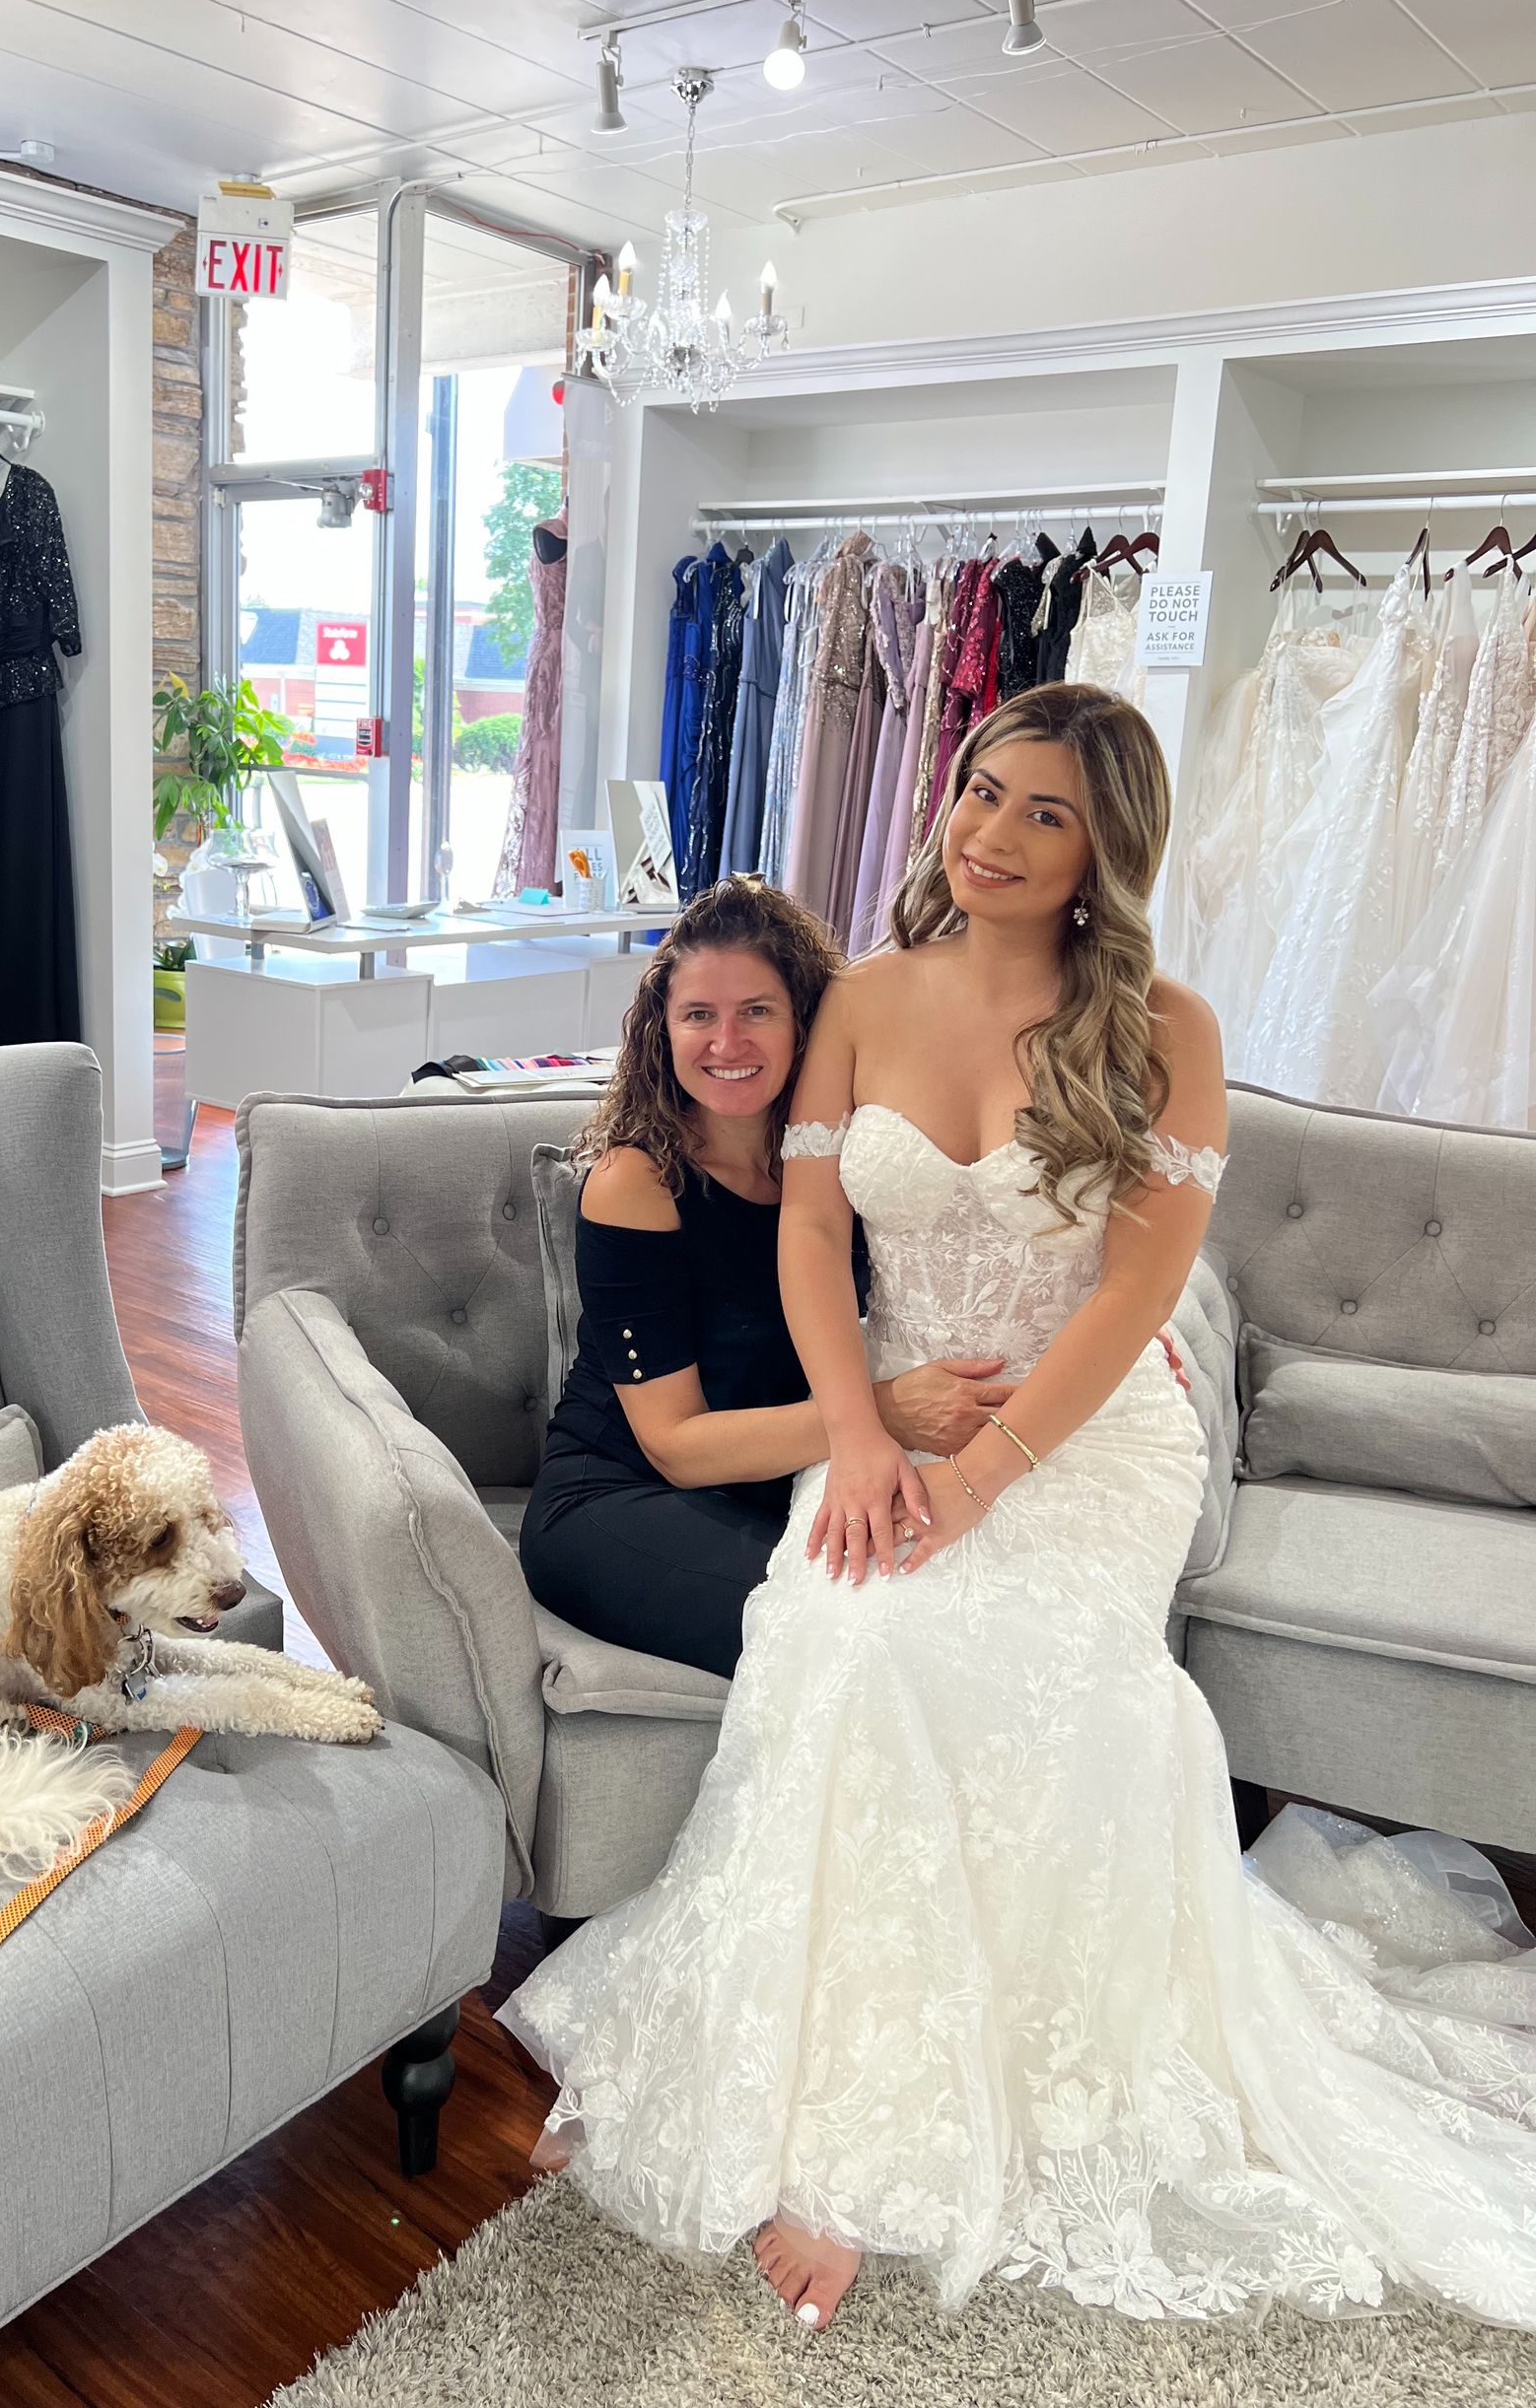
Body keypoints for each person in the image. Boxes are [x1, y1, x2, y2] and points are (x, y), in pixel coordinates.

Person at [503, 684, 1536, 2338]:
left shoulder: (1170, 1033)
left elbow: (1137, 1292)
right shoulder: (861, 1000)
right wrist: (857, 1437)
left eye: (1041, 813)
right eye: (980, 790)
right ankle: (800, 2083)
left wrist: (990, 1476)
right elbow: (804, 1239)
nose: (986, 833)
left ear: (1100, 851)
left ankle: (883, 2143)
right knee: (844, 1645)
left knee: (1009, 1674)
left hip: (1091, 1444)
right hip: (898, 1426)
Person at [522, 875, 1016, 1680]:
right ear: (662, 1031)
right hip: (620, 1501)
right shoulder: (635, 1182)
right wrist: (884, 1415)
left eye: (756, 1010)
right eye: (698, 1016)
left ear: (803, 1023)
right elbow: (674, 1446)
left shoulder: (846, 1161)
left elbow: (986, 1243)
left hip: (784, 1482)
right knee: (873, 1634)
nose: (727, 1043)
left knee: (975, 1607)